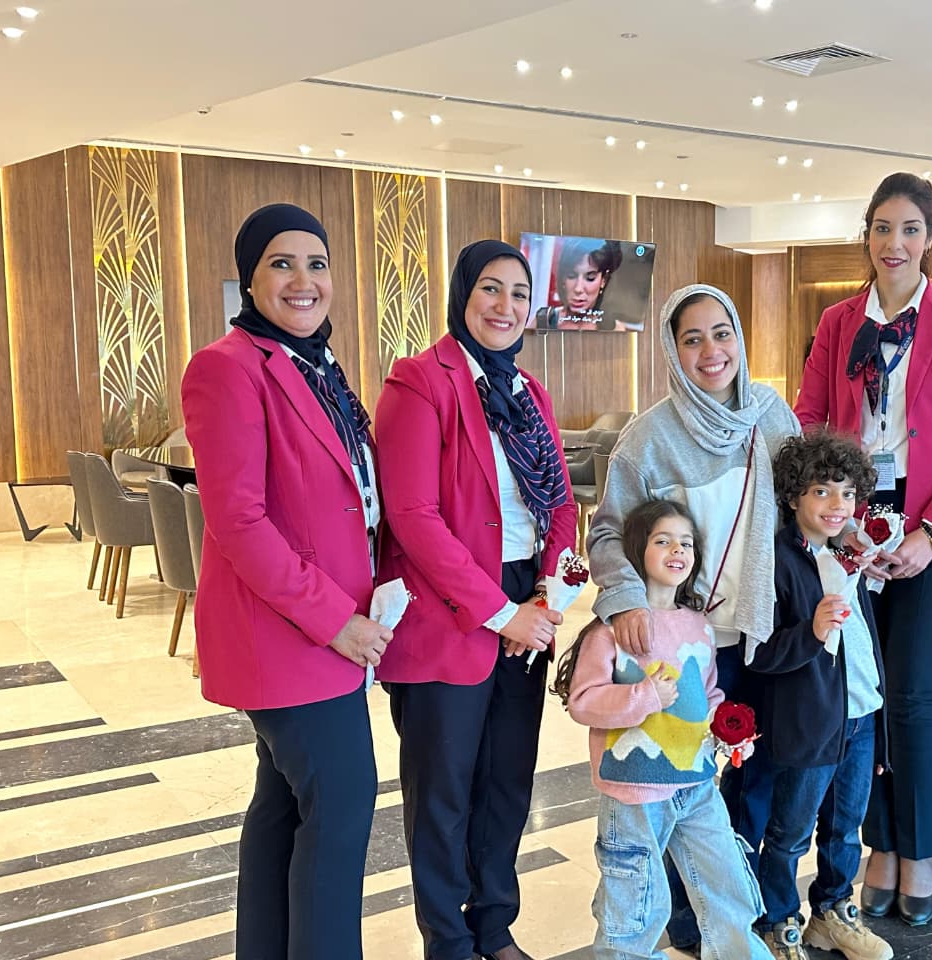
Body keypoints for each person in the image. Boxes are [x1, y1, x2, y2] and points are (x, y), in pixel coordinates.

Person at [182, 203, 391, 959]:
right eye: (282, 263)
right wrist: (336, 619)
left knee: (284, 809)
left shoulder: (318, 365)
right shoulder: (226, 367)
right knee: (340, 807)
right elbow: (239, 522)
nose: (304, 280)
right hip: (290, 637)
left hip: (323, 634)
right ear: (249, 278)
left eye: (317, 264)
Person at [794, 172, 932, 926]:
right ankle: (878, 844)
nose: (895, 243)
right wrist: (839, 521)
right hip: (852, 525)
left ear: (930, 239)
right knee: (864, 695)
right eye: (882, 228)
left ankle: (920, 851)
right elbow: (810, 420)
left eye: (910, 229)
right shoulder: (837, 321)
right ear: (867, 237)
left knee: (913, 693)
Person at [374, 239, 577, 960]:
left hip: (528, 603)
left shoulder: (530, 393)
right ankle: (449, 943)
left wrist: (546, 597)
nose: (505, 306)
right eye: (491, 288)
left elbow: (560, 506)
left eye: (520, 294)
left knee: (507, 784)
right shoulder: (418, 381)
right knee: (443, 793)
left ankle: (494, 926)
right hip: (449, 611)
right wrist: (501, 612)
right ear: (463, 294)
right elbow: (413, 516)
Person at [587, 283, 800, 953]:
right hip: (687, 643)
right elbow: (608, 532)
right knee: (678, 778)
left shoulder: (771, 415)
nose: (712, 350)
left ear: (740, 337)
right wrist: (626, 600)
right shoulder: (647, 439)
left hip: (765, 632)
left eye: (722, 332)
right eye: (692, 338)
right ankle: (682, 921)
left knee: (751, 775)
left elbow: (803, 507)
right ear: (673, 351)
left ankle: (745, 918)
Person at [554, 499, 772, 960]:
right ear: (637, 551)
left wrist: (725, 728)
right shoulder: (610, 633)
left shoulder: (699, 624)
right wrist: (644, 697)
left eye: (686, 543)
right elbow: (584, 702)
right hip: (634, 794)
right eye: (663, 540)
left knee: (726, 879)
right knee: (634, 896)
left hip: (697, 783)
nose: (678, 550)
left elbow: (706, 692)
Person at [749, 432, 892, 960]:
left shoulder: (847, 555)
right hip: (811, 722)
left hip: (861, 714)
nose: (838, 505)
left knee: (845, 828)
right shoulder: (777, 560)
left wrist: (879, 726)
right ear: (793, 497)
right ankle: (779, 921)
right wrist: (809, 632)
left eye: (848, 493)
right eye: (822, 491)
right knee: (789, 831)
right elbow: (759, 653)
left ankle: (832, 912)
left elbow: (863, 644)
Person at [534, 237, 623, 329]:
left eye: (590, 278)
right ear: (563, 278)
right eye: (571, 276)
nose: (578, 288)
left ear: (603, 280)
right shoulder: (543, 321)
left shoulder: (615, 329)